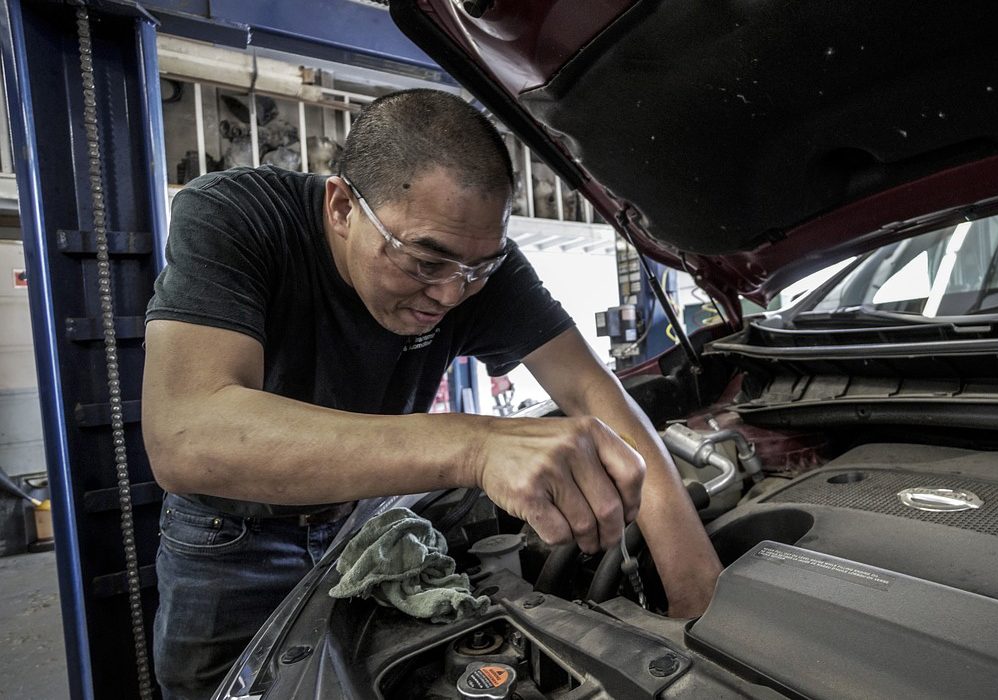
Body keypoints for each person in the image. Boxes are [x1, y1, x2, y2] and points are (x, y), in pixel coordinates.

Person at [141, 89, 722, 699]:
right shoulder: (239, 217)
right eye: (423, 262)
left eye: (479, 269)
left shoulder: (474, 266)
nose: (451, 295)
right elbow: (186, 435)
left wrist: (694, 595)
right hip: (230, 539)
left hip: (364, 522)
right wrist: (475, 447)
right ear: (342, 207)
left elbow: (590, 390)